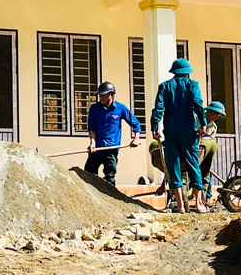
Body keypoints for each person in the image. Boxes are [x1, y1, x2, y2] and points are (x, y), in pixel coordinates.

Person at [150, 58, 207, 213]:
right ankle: (198, 204)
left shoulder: (164, 87)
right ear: (188, 73)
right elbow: (197, 104)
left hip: (171, 132)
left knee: (173, 165)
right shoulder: (193, 85)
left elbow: (158, 108)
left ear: (174, 72)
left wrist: (154, 126)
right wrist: (203, 123)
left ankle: (180, 205)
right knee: (193, 164)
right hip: (189, 131)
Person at [84, 81, 141, 186]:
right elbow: (91, 127)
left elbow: (136, 124)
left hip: (111, 149)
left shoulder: (120, 108)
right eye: (100, 95)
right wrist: (92, 142)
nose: (101, 97)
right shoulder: (94, 108)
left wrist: (136, 138)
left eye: (104, 95)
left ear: (111, 95)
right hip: (97, 148)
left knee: (109, 177)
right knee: (88, 173)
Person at [199, 101, 227, 204]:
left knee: (206, 176)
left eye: (218, 115)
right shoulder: (198, 119)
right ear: (208, 111)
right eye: (215, 114)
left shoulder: (213, 127)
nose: (216, 117)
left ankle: (205, 200)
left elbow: (210, 141)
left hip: (205, 154)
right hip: (194, 151)